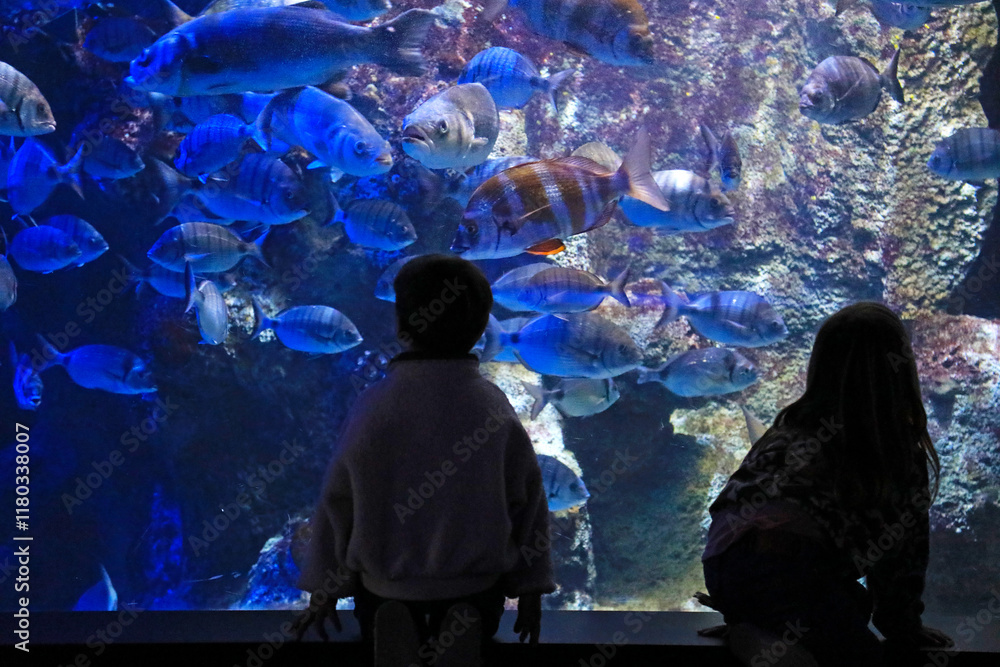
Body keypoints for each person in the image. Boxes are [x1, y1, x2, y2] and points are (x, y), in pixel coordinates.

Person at [294, 254, 556, 665]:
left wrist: (323, 590)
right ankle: (462, 624)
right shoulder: (491, 406)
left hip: (384, 584)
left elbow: (337, 502)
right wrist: (530, 588)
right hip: (477, 584)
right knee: (475, 614)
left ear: (400, 326)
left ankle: (394, 624)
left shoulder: (374, 405)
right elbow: (529, 502)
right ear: (478, 332)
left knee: (383, 610)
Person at [700, 302, 954, 666]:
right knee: (861, 657)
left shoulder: (788, 429)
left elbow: (734, 500)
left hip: (723, 567)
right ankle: (759, 632)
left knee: (846, 603)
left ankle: (756, 622)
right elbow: (902, 554)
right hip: (793, 574)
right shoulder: (892, 445)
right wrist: (902, 625)